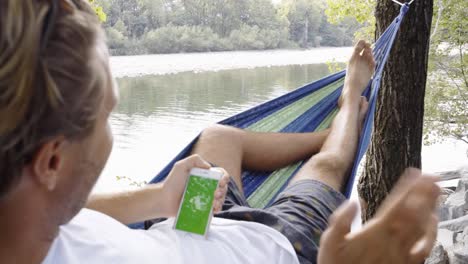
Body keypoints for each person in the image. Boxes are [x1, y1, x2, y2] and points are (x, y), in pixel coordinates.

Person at [0, 0, 440, 264]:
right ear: (52, 161)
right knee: (326, 167)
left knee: (220, 135)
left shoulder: (20, 212)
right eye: (107, 116)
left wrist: (155, 198)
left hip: (191, 225)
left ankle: (328, 132)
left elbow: (65, 211)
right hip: (280, 245)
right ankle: (349, 103)